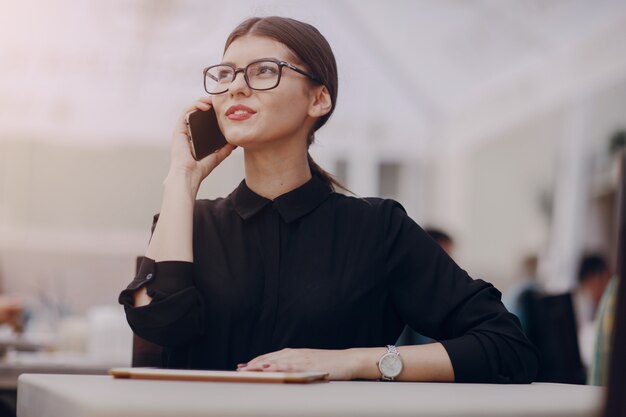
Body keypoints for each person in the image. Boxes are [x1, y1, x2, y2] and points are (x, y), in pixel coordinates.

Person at [119, 16, 537, 383]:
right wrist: (182, 176)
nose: (237, 88)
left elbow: (505, 346)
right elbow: (159, 327)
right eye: (226, 74)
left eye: (263, 71)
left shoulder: (378, 228)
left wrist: (353, 362)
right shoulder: (189, 222)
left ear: (319, 99)